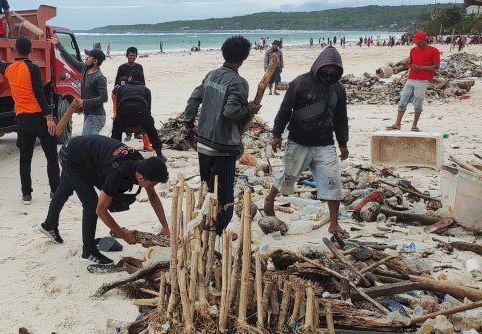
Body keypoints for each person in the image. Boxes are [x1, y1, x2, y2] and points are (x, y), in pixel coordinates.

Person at [37, 135, 169, 265]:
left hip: (83, 151)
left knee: (65, 188)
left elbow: (153, 197)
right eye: (152, 185)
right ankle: (89, 251)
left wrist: (165, 226)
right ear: (140, 177)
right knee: (91, 203)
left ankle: (49, 225)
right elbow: (100, 210)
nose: (152, 188)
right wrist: (123, 234)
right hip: (71, 156)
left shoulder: (142, 165)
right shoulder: (117, 173)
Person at [264, 46, 350, 240]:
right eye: (326, 70)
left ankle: (334, 223)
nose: (329, 74)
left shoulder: (338, 89)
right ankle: (270, 199)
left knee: (332, 180)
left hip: (325, 143)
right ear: (318, 66)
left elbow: (341, 118)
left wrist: (343, 143)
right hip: (298, 140)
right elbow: (285, 110)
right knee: (288, 175)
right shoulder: (300, 83)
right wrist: (276, 134)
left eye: (333, 71)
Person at [184, 36, 261, 234]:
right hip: (222, 147)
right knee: (224, 199)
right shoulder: (238, 82)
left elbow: (193, 100)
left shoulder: (211, 75)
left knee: (208, 190)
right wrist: (248, 108)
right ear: (244, 57)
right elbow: (231, 112)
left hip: (203, 144)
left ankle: (206, 230)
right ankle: (216, 233)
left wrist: (188, 123)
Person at [0, 31, 58, 205]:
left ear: (15, 50)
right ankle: (55, 191)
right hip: (38, 117)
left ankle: (26, 194)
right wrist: (49, 116)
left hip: (22, 119)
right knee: (51, 155)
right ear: (31, 50)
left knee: (25, 158)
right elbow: (39, 93)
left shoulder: (9, 68)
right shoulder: (33, 68)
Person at [51, 38, 108, 135]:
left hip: (97, 117)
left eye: (89, 56)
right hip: (89, 115)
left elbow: (104, 97)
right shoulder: (85, 68)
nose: (86, 57)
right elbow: (70, 59)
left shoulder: (99, 77)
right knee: (88, 145)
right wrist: (58, 44)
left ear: (95, 61)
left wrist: (85, 102)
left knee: (86, 144)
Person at [386, 31, 440, 132]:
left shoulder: (434, 51)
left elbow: (436, 67)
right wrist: (406, 65)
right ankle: (397, 124)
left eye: (419, 42)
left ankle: (414, 125)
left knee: (418, 103)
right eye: (416, 42)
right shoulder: (413, 50)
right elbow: (411, 63)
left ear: (425, 40)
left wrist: (420, 67)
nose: (416, 44)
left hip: (422, 81)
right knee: (402, 102)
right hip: (410, 79)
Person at [111, 77, 164, 160]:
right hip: (141, 112)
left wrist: (119, 120)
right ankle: (159, 153)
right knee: (152, 131)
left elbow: (118, 107)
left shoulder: (121, 88)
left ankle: (114, 154)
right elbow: (148, 109)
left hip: (124, 112)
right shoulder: (146, 89)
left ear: (130, 78)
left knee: (116, 131)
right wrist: (147, 123)